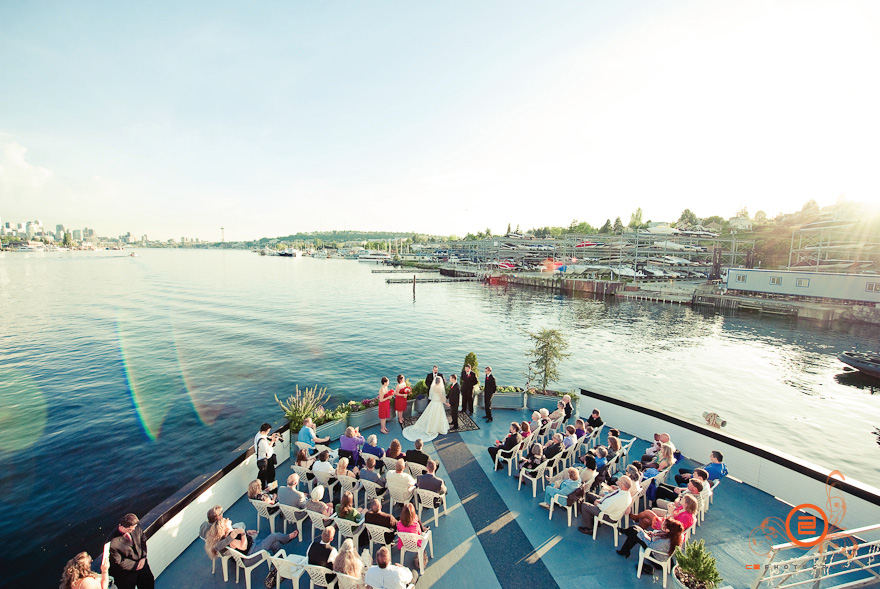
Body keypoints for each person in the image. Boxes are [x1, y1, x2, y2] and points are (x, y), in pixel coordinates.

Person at [204, 517, 298, 560]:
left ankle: (280, 562)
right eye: (225, 520)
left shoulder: (233, 531)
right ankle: (288, 538)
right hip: (252, 551)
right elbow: (243, 547)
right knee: (274, 536)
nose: (227, 518)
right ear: (224, 527)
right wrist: (243, 533)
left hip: (254, 544)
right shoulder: (230, 538)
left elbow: (241, 537)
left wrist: (247, 532)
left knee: (276, 544)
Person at [616, 519, 685, 573]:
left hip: (654, 555)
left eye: (664, 525)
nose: (662, 525)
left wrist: (644, 535)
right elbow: (658, 538)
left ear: (667, 530)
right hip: (656, 548)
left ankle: (625, 537)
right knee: (635, 531)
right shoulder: (672, 535)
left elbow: (651, 545)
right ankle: (625, 550)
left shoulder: (666, 542)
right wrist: (651, 534)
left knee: (634, 532)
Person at [108, 513, 154, 589]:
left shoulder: (135, 527)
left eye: (134, 527)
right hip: (127, 574)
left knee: (148, 583)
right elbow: (118, 562)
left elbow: (142, 540)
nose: (133, 530)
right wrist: (136, 565)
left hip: (142, 564)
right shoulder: (113, 543)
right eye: (130, 529)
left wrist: (143, 557)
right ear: (122, 527)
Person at [402, 377, 450, 442]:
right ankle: (436, 428)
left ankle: (431, 426)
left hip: (433, 403)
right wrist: (446, 403)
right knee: (437, 415)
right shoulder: (439, 388)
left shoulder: (433, 386)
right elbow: (441, 397)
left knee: (432, 415)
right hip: (438, 403)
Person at [254, 423, 281, 491]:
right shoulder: (262, 440)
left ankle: (261, 489)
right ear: (264, 431)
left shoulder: (258, 435)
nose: (268, 433)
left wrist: (271, 437)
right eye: (268, 431)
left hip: (263, 459)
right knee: (271, 476)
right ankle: (273, 491)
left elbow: (265, 439)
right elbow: (267, 449)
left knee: (262, 476)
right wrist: (273, 441)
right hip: (266, 460)